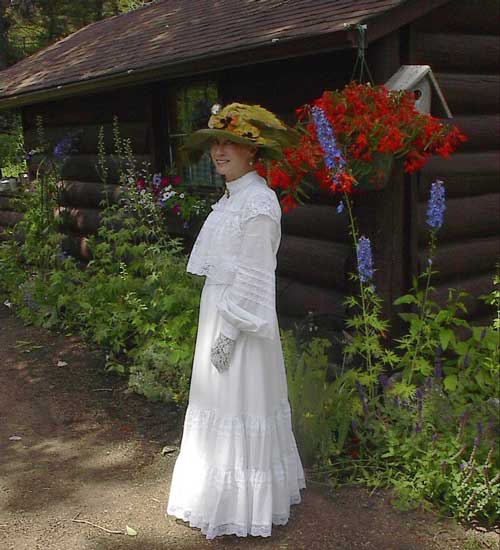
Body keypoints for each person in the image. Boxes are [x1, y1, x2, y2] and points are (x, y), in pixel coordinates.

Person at [165, 103, 306, 539]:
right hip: (219, 312)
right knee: (217, 404)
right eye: (216, 144)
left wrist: (227, 335)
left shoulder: (259, 203)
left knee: (239, 403)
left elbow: (254, 277)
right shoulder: (231, 199)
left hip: (241, 326)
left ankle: (245, 509)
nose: (220, 151)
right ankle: (216, 498)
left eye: (231, 144)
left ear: (252, 153)